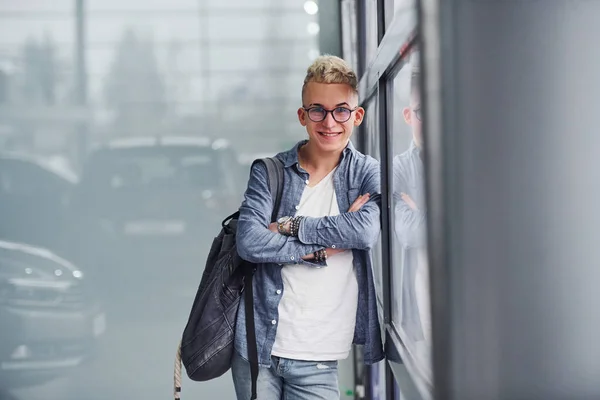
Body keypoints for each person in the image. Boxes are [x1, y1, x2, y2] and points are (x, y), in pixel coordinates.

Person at [233, 55, 384, 400]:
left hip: (318, 354)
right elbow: (250, 242)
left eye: (341, 110)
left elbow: (363, 233)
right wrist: (320, 250)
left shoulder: (367, 173)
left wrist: (288, 225)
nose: (329, 121)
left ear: (356, 115)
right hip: (257, 349)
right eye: (317, 110)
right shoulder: (269, 172)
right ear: (302, 115)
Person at [393, 66, 431, 350]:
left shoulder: (468, 159)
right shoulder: (397, 170)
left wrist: (423, 213)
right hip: (423, 308)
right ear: (408, 115)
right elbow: (410, 233)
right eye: (421, 111)